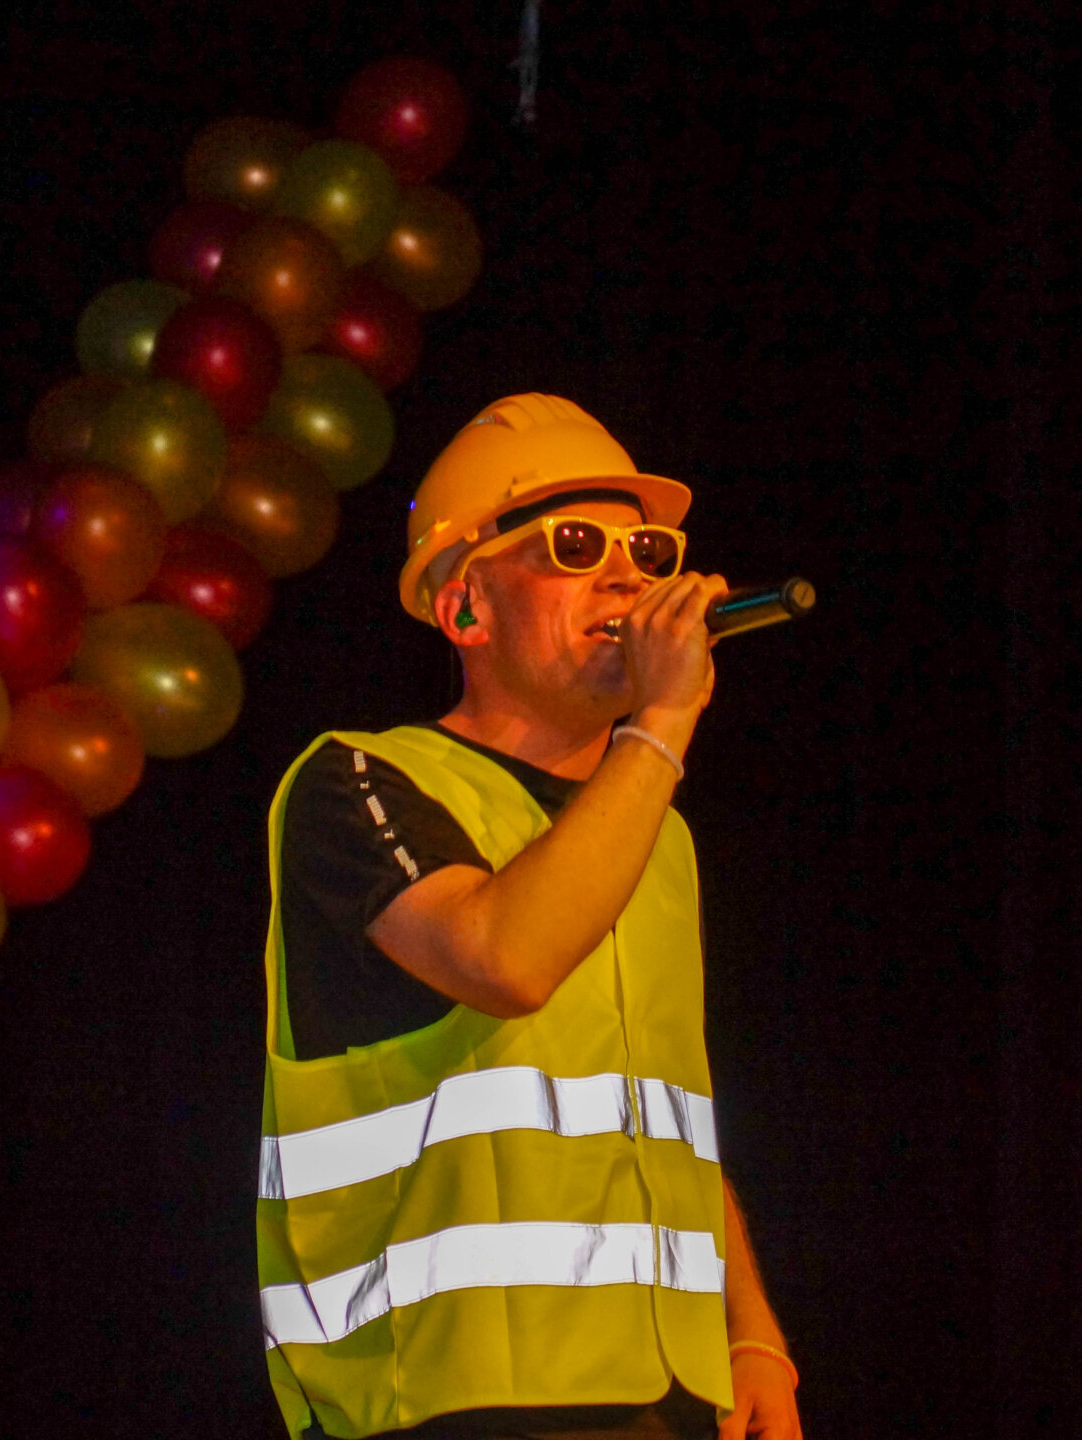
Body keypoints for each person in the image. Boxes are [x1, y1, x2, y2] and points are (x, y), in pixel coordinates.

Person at [254, 394, 804, 1440]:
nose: (628, 579)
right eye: (574, 546)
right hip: (445, 1392)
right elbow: (503, 959)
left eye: (647, 552)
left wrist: (751, 1332)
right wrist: (664, 721)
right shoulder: (358, 779)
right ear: (465, 608)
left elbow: (656, 1117)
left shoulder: (657, 832)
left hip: (659, 1392)